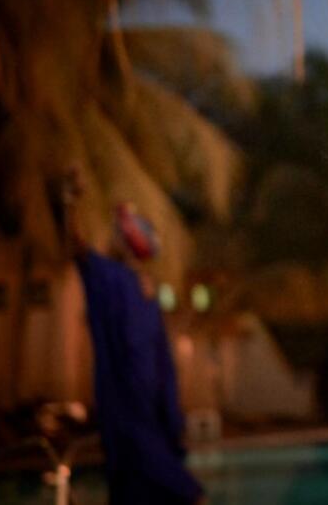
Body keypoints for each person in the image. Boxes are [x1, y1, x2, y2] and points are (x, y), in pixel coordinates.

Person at [59, 172, 207, 505]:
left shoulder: (117, 281)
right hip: (147, 407)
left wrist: (69, 204)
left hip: (132, 408)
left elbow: (77, 249)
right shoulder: (141, 288)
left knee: (179, 491)